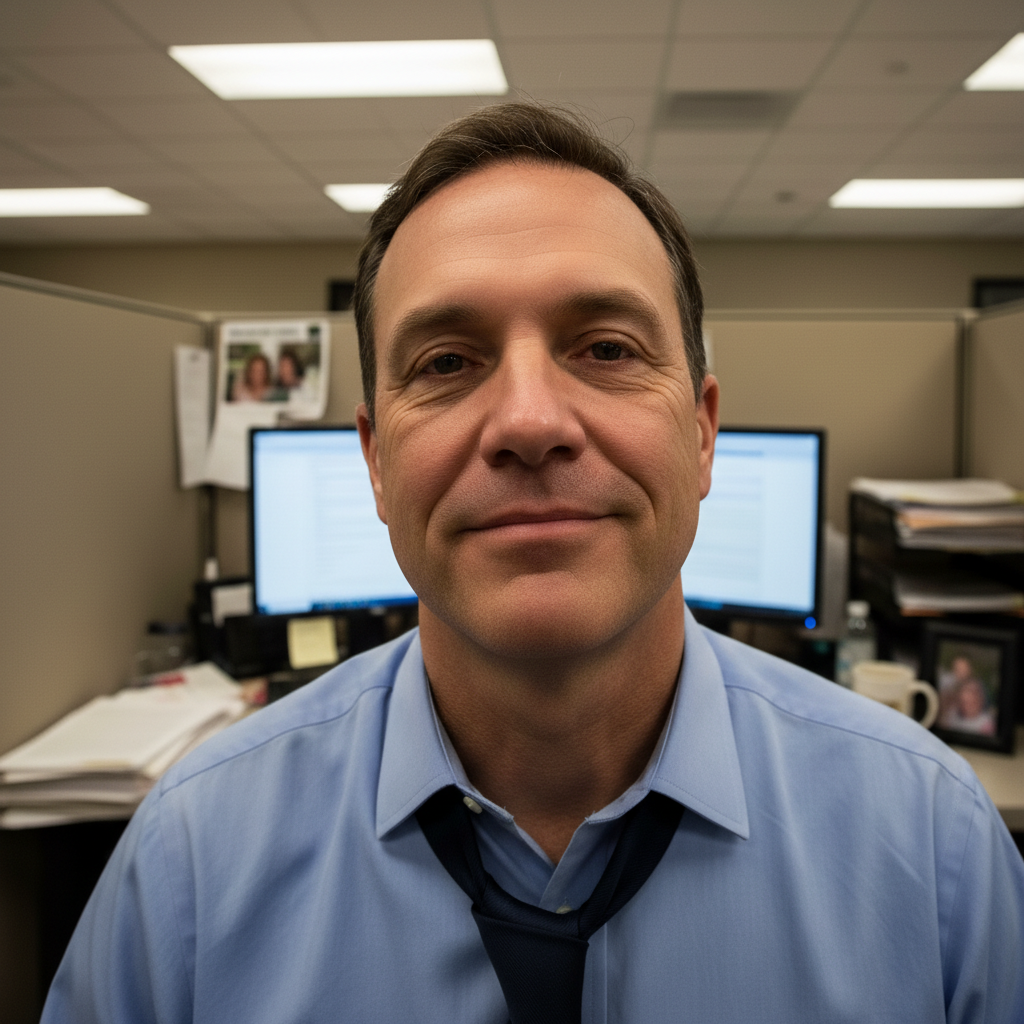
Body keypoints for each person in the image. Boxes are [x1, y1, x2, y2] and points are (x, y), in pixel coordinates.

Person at [43, 104, 1024, 1023]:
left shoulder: (932, 847)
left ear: (702, 433)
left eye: (603, 348)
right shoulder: (189, 865)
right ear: (377, 461)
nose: (528, 422)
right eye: (446, 362)